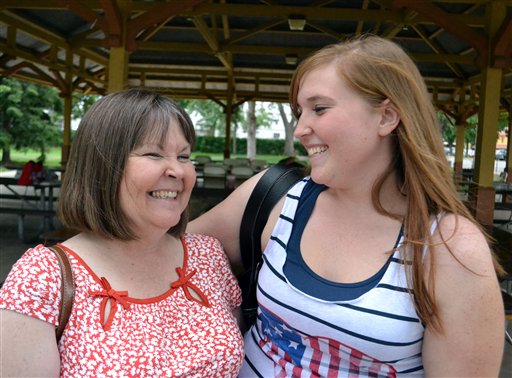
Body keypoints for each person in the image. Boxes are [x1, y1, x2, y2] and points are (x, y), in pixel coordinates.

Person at [188, 35, 505, 376]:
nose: (299, 130)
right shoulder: (278, 196)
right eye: (299, 112)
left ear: (386, 117)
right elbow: (167, 255)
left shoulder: (449, 247)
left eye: (319, 108)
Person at [0, 89, 244, 377]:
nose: (178, 171)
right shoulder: (43, 276)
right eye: (154, 154)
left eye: (184, 156)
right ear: (103, 167)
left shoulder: (208, 257)